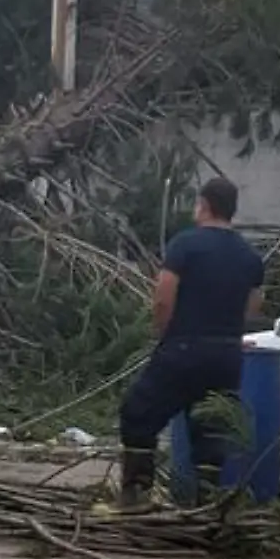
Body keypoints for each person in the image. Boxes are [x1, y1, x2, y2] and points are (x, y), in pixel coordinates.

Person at [104, 177, 266, 515]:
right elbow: (254, 306)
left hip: (184, 348)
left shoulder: (186, 245)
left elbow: (163, 297)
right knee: (210, 427)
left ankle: (136, 497)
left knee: (138, 413)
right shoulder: (250, 256)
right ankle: (205, 506)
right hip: (226, 356)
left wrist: (165, 335)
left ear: (204, 205)